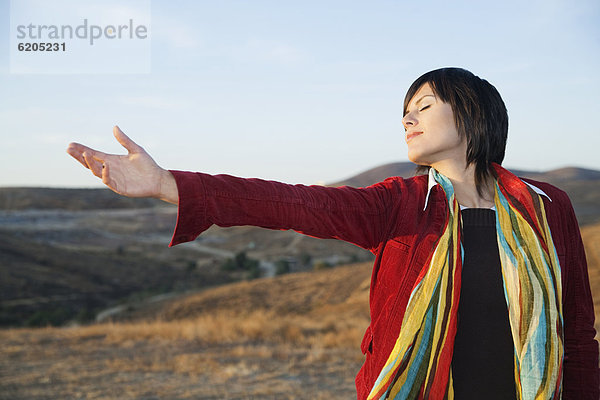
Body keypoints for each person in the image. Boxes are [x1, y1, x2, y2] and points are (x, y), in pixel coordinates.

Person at [67, 67, 599, 399]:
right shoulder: (398, 203)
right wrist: (168, 184)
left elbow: (575, 330)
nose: (408, 119)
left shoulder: (547, 208)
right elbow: (295, 204)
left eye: (424, 106)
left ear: (473, 113)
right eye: (404, 112)